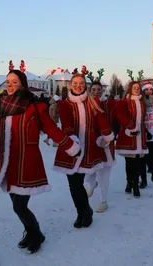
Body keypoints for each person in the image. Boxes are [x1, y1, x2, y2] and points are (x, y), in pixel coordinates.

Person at [0, 67, 80, 254]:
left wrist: (69, 146)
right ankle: (32, 232)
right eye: (8, 82)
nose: (10, 86)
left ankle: (36, 233)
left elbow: (51, 129)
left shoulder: (35, 106)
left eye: (15, 82)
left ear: (23, 84)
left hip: (27, 163)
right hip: (8, 165)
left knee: (19, 206)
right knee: (17, 206)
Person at [54, 69, 113, 225]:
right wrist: (71, 140)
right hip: (70, 148)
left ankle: (85, 213)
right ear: (70, 85)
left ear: (84, 85)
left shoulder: (93, 102)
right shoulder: (64, 104)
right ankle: (83, 212)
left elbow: (101, 121)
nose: (78, 86)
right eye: (75, 84)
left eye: (81, 84)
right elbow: (66, 124)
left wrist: (107, 135)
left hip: (89, 148)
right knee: (73, 184)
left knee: (78, 182)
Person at [85, 79, 117, 213]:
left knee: (103, 174)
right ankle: (92, 184)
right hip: (90, 143)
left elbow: (116, 121)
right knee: (88, 170)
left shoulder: (108, 105)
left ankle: (103, 201)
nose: (96, 92)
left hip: (106, 143)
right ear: (89, 91)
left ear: (102, 91)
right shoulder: (85, 105)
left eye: (99, 90)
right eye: (93, 90)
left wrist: (111, 136)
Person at [115, 81, 148, 198]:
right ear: (129, 89)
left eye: (138, 87)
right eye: (134, 87)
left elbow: (144, 119)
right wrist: (131, 126)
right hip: (128, 135)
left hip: (140, 136)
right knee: (129, 163)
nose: (136, 89)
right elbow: (120, 115)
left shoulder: (142, 103)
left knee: (138, 162)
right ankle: (130, 183)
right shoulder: (124, 102)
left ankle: (135, 185)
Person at [141, 82, 153, 186]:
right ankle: (143, 180)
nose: (149, 91)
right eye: (146, 90)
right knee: (142, 159)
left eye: (150, 89)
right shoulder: (141, 103)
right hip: (144, 133)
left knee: (151, 156)